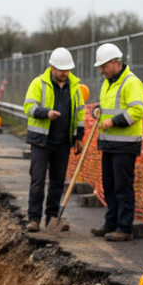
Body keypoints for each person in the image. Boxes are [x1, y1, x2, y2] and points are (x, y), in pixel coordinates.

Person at [23, 47, 85, 232]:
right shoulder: (38, 84)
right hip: (41, 142)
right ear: (52, 67)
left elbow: (79, 114)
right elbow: (28, 107)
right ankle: (34, 218)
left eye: (68, 69)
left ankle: (52, 218)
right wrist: (46, 113)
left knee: (58, 182)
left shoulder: (74, 87)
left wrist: (78, 137)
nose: (65, 73)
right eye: (62, 70)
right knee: (37, 180)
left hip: (62, 142)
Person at [90, 43, 143, 241]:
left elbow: (137, 110)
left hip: (125, 144)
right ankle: (111, 223)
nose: (101, 70)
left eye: (104, 66)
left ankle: (124, 227)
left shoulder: (131, 82)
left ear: (115, 62)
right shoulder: (108, 82)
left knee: (123, 187)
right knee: (110, 186)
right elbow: (106, 106)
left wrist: (113, 121)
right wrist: (96, 110)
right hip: (109, 143)